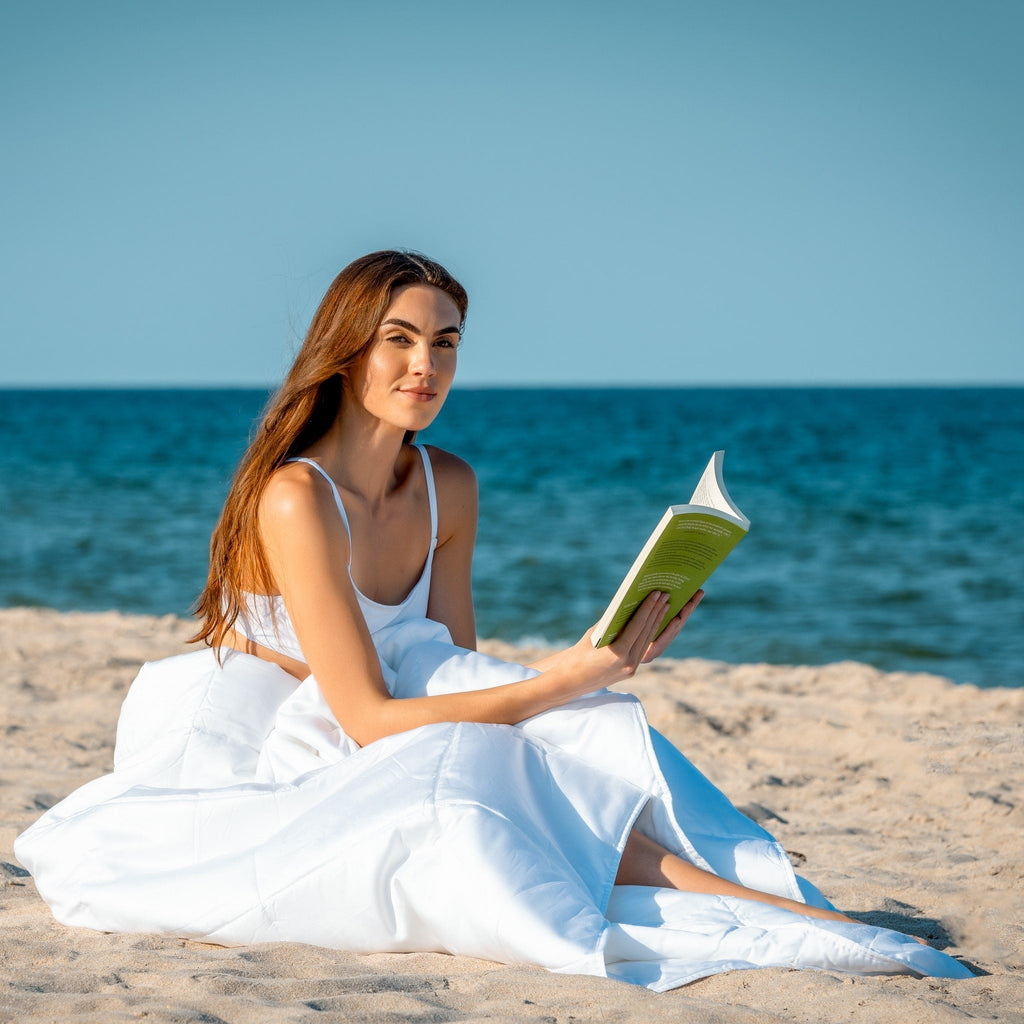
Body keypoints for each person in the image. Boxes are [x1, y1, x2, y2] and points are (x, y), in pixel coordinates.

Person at [15, 250, 970, 991]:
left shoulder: (448, 484)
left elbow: (455, 662)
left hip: (393, 699)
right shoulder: (294, 497)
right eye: (399, 337)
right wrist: (564, 676)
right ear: (347, 345)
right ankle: (756, 906)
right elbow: (362, 716)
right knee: (537, 726)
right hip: (271, 726)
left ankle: (768, 900)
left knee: (565, 730)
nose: (425, 364)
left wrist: (597, 666)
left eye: (447, 342)